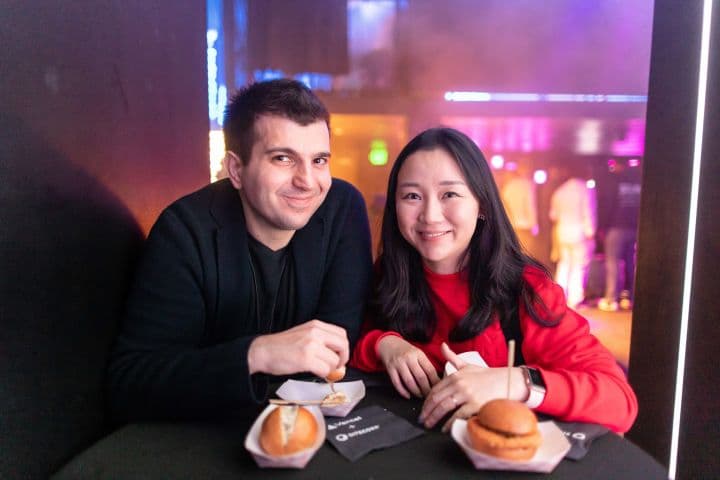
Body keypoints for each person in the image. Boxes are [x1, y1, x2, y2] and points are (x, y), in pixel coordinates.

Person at [108, 79, 373, 422]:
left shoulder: (341, 207)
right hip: (201, 435)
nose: (308, 181)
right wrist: (257, 353)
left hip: (310, 430)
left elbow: (340, 345)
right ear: (236, 169)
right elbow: (130, 383)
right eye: (283, 158)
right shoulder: (184, 231)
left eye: (319, 160)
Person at [350, 127, 637, 434]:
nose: (430, 215)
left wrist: (513, 383)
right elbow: (346, 342)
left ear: (482, 205)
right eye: (412, 196)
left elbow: (619, 401)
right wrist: (385, 344)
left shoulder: (527, 290)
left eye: (449, 194)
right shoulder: (390, 274)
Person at [548, 169, 597, 308]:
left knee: (564, 264)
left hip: (562, 232)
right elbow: (589, 211)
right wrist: (590, 231)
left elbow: (553, 216)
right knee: (579, 265)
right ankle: (575, 299)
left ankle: (560, 296)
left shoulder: (559, 191)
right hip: (579, 232)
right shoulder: (585, 190)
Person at [598, 162, 641, 311]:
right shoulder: (639, 181)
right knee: (631, 263)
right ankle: (628, 297)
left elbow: (608, 205)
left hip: (616, 226)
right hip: (634, 227)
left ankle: (611, 299)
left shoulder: (615, 181)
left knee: (612, 263)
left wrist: (603, 227)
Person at [500, 163, 538, 255]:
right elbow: (530, 205)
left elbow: (503, 206)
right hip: (525, 226)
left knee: (513, 255)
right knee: (526, 254)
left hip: (511, 225)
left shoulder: (508, 186)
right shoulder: (527, 185)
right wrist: (534, 224)